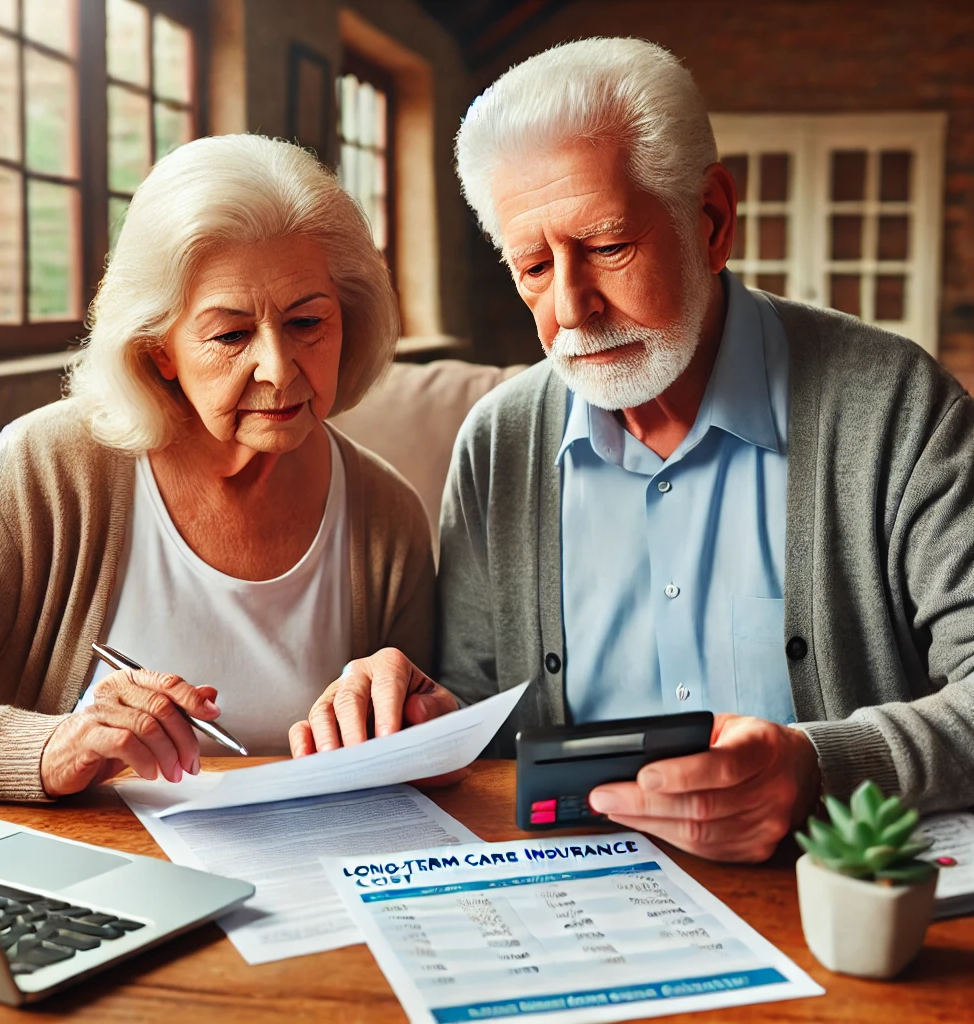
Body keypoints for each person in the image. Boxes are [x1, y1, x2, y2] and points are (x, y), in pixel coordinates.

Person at [290, 38, 974, 863]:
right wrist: (426, 719)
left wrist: (818, 768)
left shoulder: (895, 406)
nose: (572, 307)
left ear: (712, 222)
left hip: (827, 887)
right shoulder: (498, 444)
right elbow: (488, 715)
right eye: (533, 266)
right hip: (576, 894)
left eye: (609, 247)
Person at [0, 134, 433, 802]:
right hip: (98, 893)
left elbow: (427, 756)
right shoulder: (44, 473)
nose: (278, 367)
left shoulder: (388, 515)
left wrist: (418, 719)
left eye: (306, 322)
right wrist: (51, 748)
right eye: (231, 335)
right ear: (159, 349)